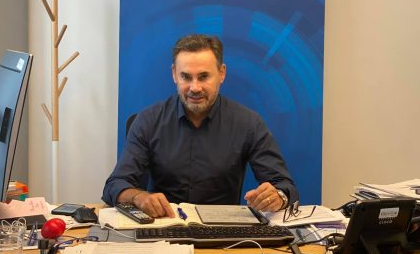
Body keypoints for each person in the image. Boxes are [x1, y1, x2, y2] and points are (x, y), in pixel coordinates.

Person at [102, 34, 298, 218]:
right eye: (186, 77)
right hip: (164, 228)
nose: (195, 87)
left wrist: (277, 196)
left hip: (224, 232)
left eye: (203, 77)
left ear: (221, 73)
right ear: (174, 74)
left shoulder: (249, 123)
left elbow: (284, 186)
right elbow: (115, 185)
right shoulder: (148, 120)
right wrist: (138, 197)